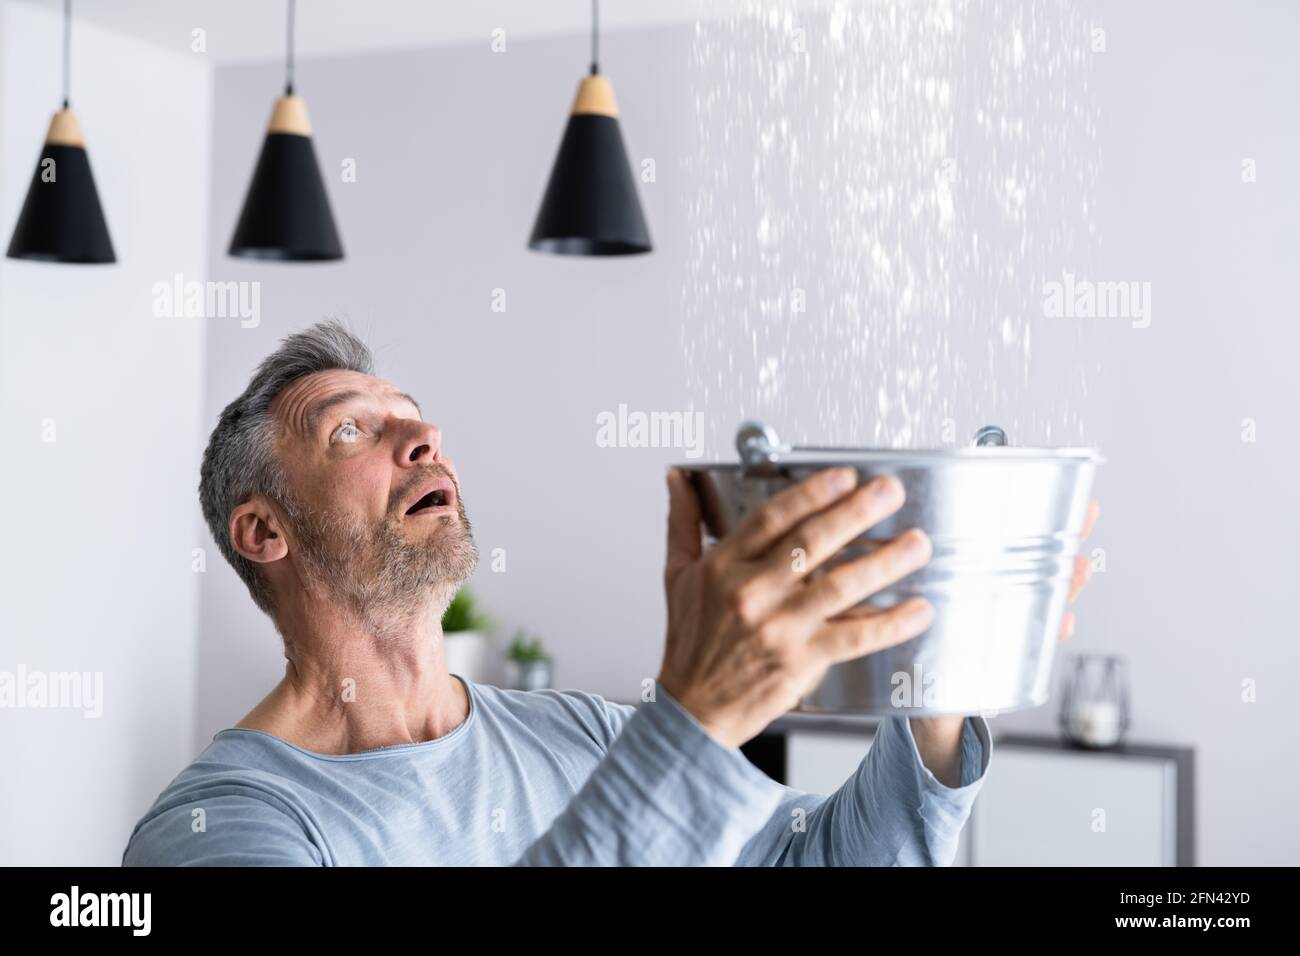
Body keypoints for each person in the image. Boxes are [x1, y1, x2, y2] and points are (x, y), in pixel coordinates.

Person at [122, 321, 1095, 866]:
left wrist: (933, 663)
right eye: (349, 432)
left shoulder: (580, 739)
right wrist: (696, 717)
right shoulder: (224, 824)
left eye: (415, 422)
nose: (418, 442)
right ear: (264, 530)